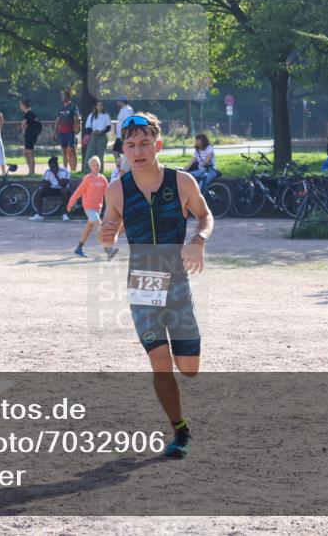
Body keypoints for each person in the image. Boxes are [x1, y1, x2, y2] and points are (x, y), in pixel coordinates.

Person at [99, 112, 213, 459]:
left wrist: (198, 240)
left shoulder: (182, 183)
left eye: (145, 143)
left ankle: (182, 406)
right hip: (142, 286)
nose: (138, 150)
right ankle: (180, 430)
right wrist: (108, 233)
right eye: (130, 145)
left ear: (157, 145)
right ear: (123, 150)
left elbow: (206, 216)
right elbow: (111, 225)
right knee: (159, 362)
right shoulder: (116, 188)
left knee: (189, 369)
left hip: (177, 284)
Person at [67, 156, 116, 259]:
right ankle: (108, 249)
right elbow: (79, 191)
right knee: (100, 225)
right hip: (89, 207)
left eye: (97, 164)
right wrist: (71, 203)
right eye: (94, 165)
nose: (96, 166)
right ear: (90, 167)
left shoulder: (103, 179)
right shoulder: (88, 178)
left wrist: (113, 205)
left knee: (88, 228)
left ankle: (79, 248)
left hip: (98, 208)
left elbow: (107, 194)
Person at [30, 156, 71, 221]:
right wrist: (46, 184)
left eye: (53, 167)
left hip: (62, 190)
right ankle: (39, 215)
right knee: (40, 190)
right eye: (50, 167)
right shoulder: (48, 171)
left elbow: (63, 185)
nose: (51, 169)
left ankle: (64, 214)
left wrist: (55, 175)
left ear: (57, 165)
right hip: (52, 189)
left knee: (65, 191)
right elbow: (44, 182)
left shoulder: (65, 171)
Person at [55, 90, 81, 172]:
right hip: (62, 132)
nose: (62, 98)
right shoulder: (60, 107)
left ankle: (73, 169)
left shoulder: (73, 107)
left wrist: (77, 127)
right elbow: (57, 120)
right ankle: (65, 168)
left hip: (70, 132)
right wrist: (55, 131)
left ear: (68, 97)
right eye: (61, 96)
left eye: (63, 96)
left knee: (72, 150)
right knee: (64, 150)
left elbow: (76, 118)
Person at [83, 100, 112, 173]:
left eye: (101, 105)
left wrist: (102, 131)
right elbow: (88, 127)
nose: (99, 107)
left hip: (102, 136)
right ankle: (87, 170)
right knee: (89, 153)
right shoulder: (91, 115)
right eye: (98, 105)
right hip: (93, 136)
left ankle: (100, 171)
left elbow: (108, 127)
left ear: (103, 107)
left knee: (100, 155)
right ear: (96, 107)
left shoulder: (106, 115)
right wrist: (92, 132)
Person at [20, 99, 41, 176]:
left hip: (30, 135)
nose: (20, 107)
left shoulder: (28, 114)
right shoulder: (32, 114)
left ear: (24, 106)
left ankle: (32, 172)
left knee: (30, 154)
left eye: (21, 105)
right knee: (25, 153)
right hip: (32, 135)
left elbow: (23, 125)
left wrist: (23, 127)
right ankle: (30, 171)